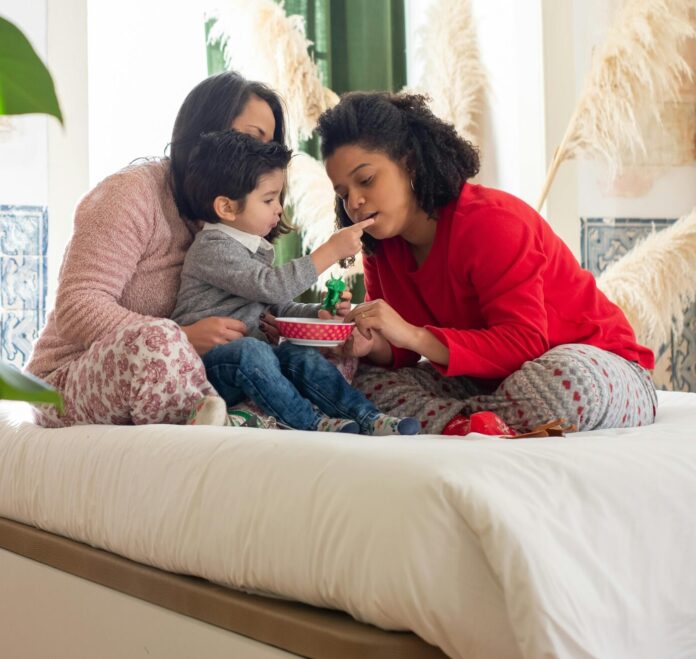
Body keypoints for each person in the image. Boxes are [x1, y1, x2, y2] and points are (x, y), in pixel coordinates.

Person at [315, 91, 657, 435]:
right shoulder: (380, 247)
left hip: (593, 366)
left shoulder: (491, 222)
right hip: (488, 381)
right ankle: (473, 423)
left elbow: (525, 343)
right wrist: (371, 343)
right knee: (360, 381)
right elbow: (401, 354)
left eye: (366, 180)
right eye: (343, 193)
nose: (355, 202)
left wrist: (414, 336)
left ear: (409, 162)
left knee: (566, 385)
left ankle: (452, 420)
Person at [26, 71, 293, 427]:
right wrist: (181, 339)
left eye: (269, 145)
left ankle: (241, 418)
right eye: (251, 139)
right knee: (159, 342)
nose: (261, 157)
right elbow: (77, 307)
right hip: (70, 377)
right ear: (206, 130)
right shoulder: (132, 193)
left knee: (311, 352)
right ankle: (226, 419)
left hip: (198, 374)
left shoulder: (239, 224)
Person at [171, 130, 420, 436]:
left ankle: (369, 418)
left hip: (252, 362)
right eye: (268, 199)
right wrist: (330, 251)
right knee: (252, 351)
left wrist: (319, 314)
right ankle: (310, 422)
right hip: (208, 370)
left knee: (299, 355)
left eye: (278, 198)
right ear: (227, 208)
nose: (279, 208)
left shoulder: (252, 248)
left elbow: (279, 305)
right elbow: (271, 286)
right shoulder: (212, 247)